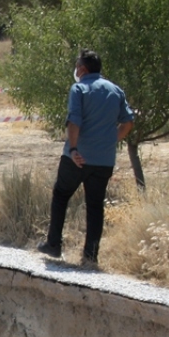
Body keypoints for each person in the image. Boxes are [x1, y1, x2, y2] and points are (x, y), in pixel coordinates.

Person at [37, 49, 134, 268]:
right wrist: (112, 140)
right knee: (95, 205)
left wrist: (73, 149)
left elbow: (74, 121)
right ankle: (90, 257)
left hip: (78, 157)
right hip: (104, 160)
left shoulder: (79, 88)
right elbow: (128, 122)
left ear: (82, 69)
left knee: (61, 194)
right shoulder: (115, 90)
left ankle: (54, 244)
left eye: (77, 66)